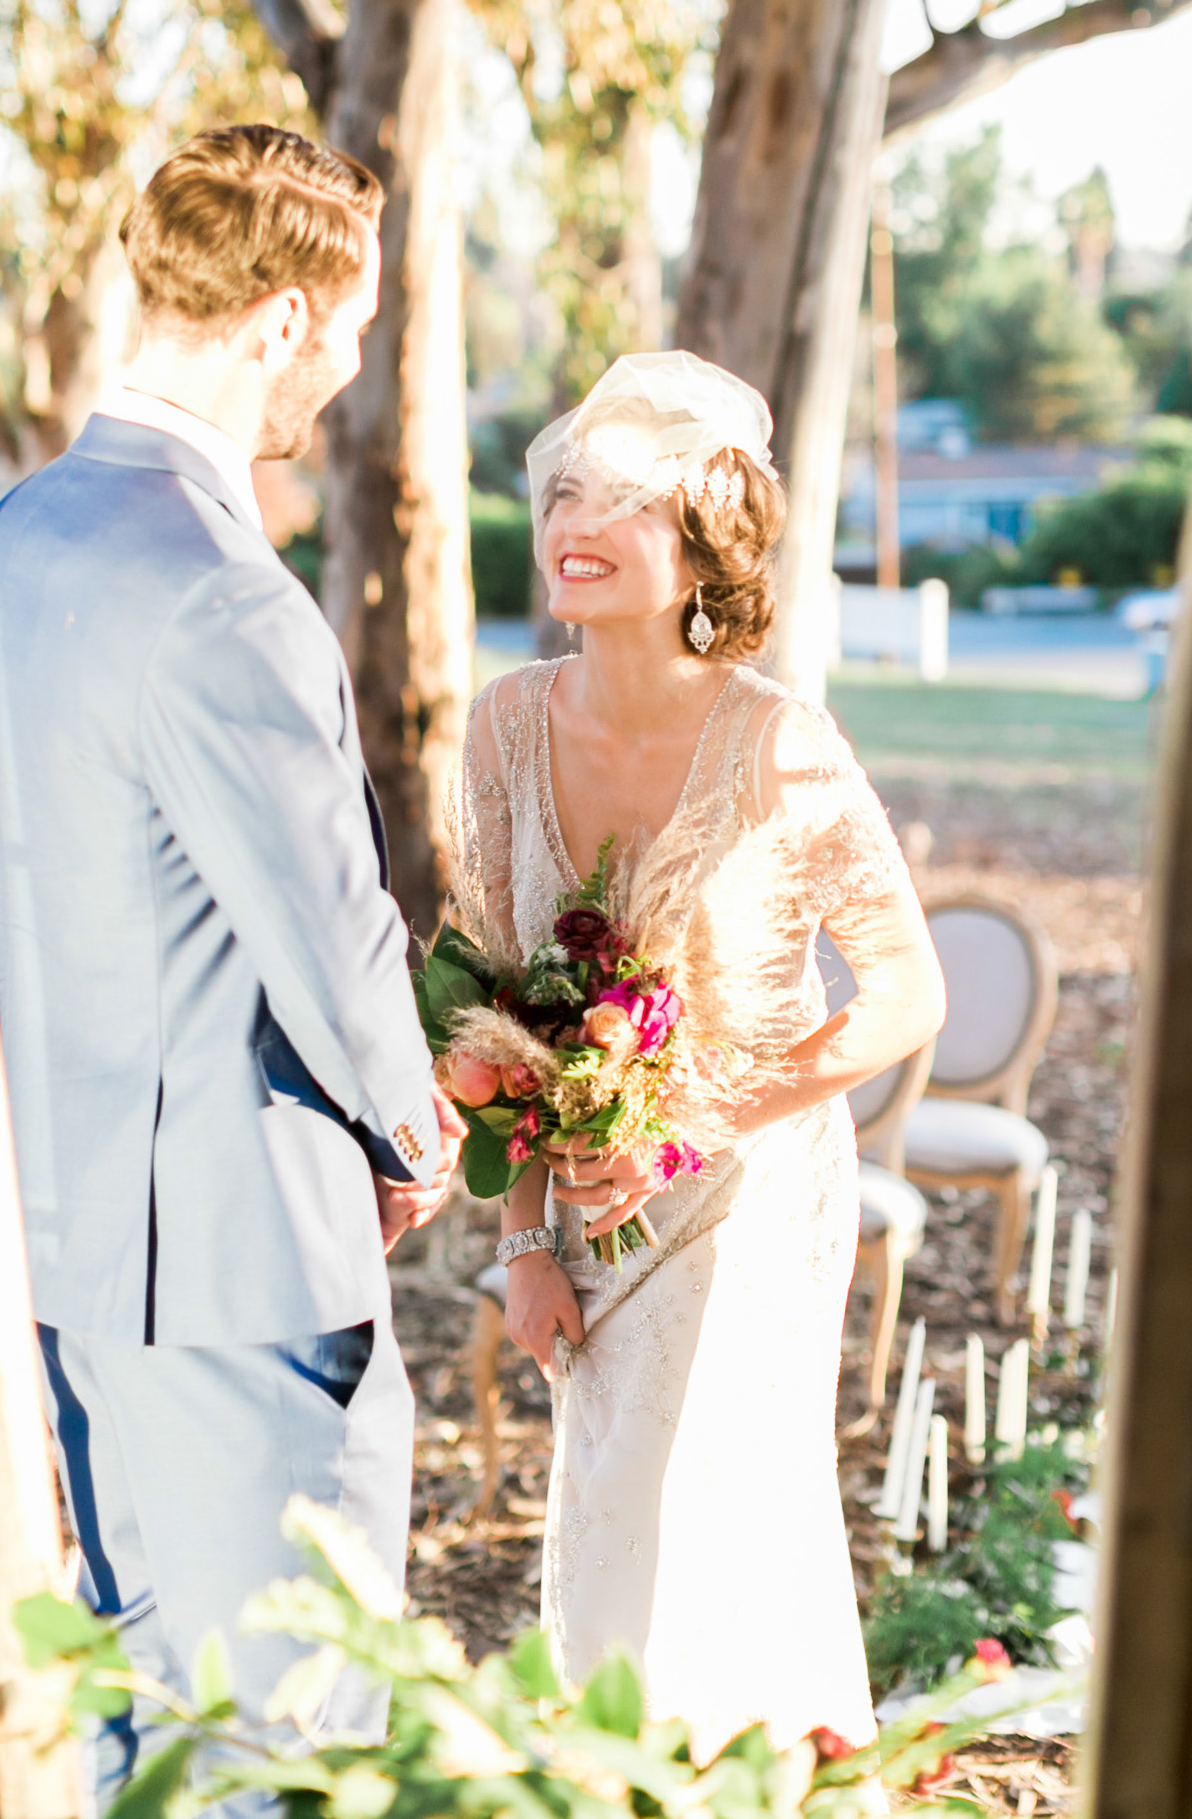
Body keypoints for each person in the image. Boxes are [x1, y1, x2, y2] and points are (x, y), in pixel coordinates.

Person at [0, 126, 464, 1807]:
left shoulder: (18, 543)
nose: (358, 357)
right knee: (281, 1738)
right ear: (275, 326)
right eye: (353, 323)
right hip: (241, 1263)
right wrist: (413, 1128)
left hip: (68, 1232)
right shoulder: (224, 595)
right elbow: (326, 931)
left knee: (140, 1727)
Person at [459, 352, 945, 1767]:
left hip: (752, 1194)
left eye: (622, 496)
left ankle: (727, 1779)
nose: (575, 519)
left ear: (704, 542)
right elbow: (494, 997)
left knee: (703, 1519)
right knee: (612, 1521)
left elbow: (906, 987)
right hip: (591, 1218)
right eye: (563, 491)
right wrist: (524, 1240)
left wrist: (697, 1116)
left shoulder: (783, 746)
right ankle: (621, 1784)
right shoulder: (504, 726)